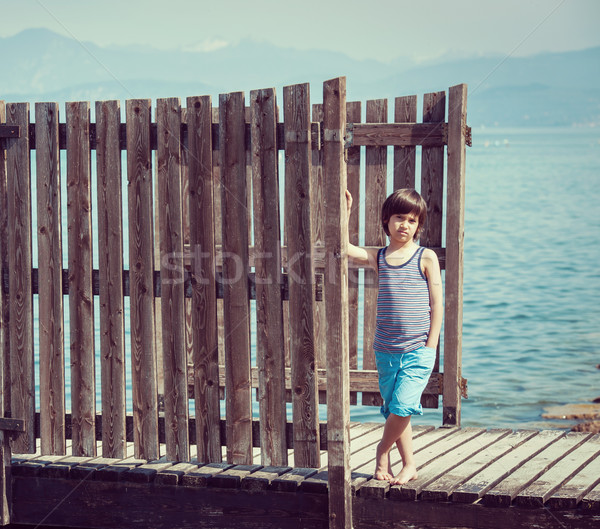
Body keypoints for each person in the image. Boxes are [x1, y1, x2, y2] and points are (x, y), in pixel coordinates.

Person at [345, 188, 443, 485]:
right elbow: (344, 247)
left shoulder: (425, 257)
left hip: (418, 349)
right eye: (399, 218)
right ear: (386, 221)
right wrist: (345, 212)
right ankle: (410, 465)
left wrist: (431, 346)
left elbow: (437, 303)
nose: (405, 225)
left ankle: (381, 451)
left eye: (412, 220)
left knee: (402, 407)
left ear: (419, 226)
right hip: (386, 350)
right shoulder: (381, 257)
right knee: (395, 411)